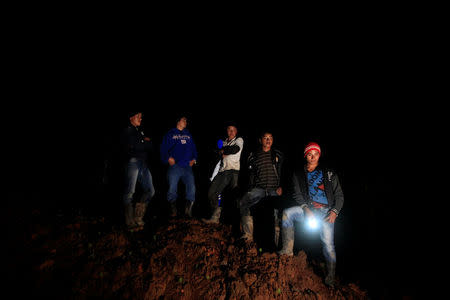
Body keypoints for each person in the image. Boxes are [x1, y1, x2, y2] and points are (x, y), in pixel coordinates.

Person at [278, 142, 344, 288]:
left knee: (328, 245)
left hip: (327, 213)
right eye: (309, 154)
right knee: (287, 214)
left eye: (315, 154)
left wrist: (334, 212)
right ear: (305, 156)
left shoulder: (329, 173)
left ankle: (330, 279)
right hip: (310, 210)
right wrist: (307, 211)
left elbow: (339, 195)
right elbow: (297, 194)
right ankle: (287, 252)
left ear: (319, 155)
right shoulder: (298, 174)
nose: (313, 156)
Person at [239, 131, 284, 246]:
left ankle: (276, 242)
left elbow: (283, 172)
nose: (268, 140)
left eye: (270, 138)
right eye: (265, 138)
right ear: (260, 140)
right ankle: (247, 236)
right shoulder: (253, 155)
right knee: (244, 202)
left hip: (273, 189)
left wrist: (282, 186)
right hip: (259, 188)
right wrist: (250, 187)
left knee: (275, 214)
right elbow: (250, 173)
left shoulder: (278, 154)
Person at [120, 111, 155, 231]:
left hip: (143, 163)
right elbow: (133, 145)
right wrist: (144, 141)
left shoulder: (140, 131)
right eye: (138, 116)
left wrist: (143, 142)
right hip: (133, 162)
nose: (141, 118)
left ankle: (138, 217)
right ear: (131, 117)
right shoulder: (127, 130)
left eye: (141, 116)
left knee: (150, 191)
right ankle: (129, 222)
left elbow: (150, 145)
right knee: (130, 191)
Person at [203, 122, 244, 224]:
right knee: (211, 193)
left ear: (236, 131)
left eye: (233, 130)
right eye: (229, 130)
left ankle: (237, 222)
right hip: (222, 170)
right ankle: (215, 217)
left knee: (233, 197)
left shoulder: (239, 140)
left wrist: (223, 151)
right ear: (227, 131)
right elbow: (215, 152)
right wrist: (221, 152)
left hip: (233, 171)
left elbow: (235, 149)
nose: (231, 132)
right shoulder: (224, 142)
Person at [160, 116, 198, 217]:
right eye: (183, 120)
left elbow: (194, 148)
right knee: (172, 188)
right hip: (175, 166)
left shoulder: (188, 134)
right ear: (178, 121)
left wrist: (194, 159)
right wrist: (168, 158)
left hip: (187, 166)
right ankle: (173, 211)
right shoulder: (170, 134)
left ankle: (188, 211)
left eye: (186, 120)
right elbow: (163, 148)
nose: (185, 122)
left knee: (192, 188)